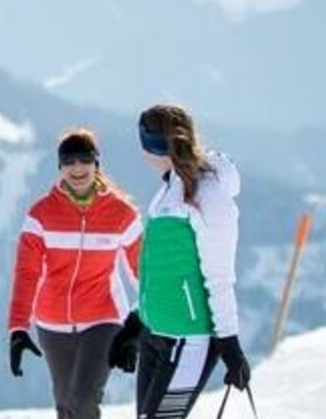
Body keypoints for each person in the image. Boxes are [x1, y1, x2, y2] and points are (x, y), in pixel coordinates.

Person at [111, 105, 251, 419]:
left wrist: (229, 343)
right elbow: (162, 271)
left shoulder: (209, 195)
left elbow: (219, 276)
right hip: (156, 333)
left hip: (188, 339)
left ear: (149, 144)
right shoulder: (168, 191)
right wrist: (136, 322)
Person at [6, 129, 142, 419]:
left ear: (96, 165)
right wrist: (18, 327)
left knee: (82, 401)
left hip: (104, 319)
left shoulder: (121, 214)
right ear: (60, 167)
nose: (77, 169)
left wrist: (140, 323)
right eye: (69, 162)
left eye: (85, 160)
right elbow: (27, 272)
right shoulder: (41, 214)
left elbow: (144, 273)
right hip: (52, 322)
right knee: (66, 405)